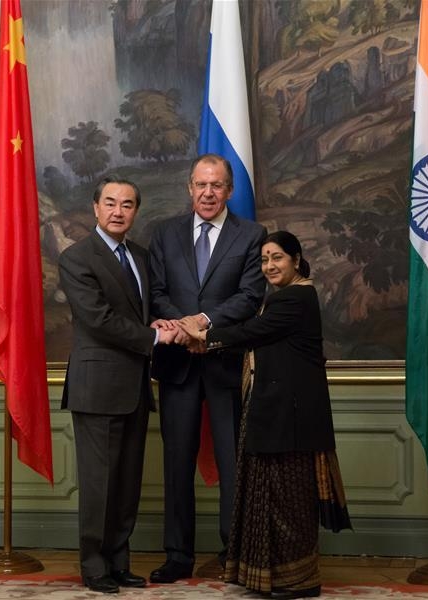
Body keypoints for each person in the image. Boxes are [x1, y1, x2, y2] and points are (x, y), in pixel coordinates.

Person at [179, 231, 351, 599]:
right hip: (278, 414)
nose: (269, 266)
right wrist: (207, 341)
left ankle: (297, 580)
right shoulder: (287, 296)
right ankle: (276, 577)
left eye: (277, 258)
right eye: (264, 260)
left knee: (288, 498)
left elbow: (253, 331)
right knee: (274, 496)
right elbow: (259, 338)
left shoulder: (296, 297)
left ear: (296, 259)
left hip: (290, 418)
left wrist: (204, 335)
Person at [148, 154, 267, 583]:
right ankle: (178, 555)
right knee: (177, 463)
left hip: (224, 363)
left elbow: (250, 296)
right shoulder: (165, 233)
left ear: (229, 191)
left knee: (233, 463)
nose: (208, 193)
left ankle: (233, 553)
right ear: (190, 188)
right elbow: (156, 293)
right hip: (178, 364)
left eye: (216, 185)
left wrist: (202, 322)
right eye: (201, 184)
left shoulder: (251, 235)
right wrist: (182, 328)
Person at [59, 175, 177, 595]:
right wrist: (154, 337)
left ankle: (119, 563)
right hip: (97, 387)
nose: (118, 211)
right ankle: (94, 567)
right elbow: (98, 320)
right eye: (110, 203)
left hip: (135, 386)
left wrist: (163, 323)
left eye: (127, 205)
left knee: (127, 483)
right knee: (99, 484)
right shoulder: (77, 258)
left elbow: (141, 311)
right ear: (95, 208)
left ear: (136, 212)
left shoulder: (141, 256)